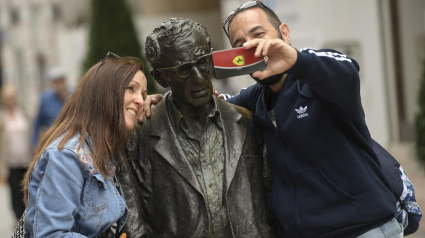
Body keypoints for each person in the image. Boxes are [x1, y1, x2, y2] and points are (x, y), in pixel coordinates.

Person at [218, 1, 400, 238]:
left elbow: (345, 71)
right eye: (239, 45)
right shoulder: (258, 97)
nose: (250, 47)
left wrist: (295, 60)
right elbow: (217, 103)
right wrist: (161, 102)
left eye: (258, 35)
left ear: (283, 33)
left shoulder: (316, 73)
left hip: (363, 230)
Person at [120, 18, 276, 237]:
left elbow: (273, 203)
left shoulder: (246, 122)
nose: (200, 78)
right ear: (161, 77)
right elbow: (133, 222)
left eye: (203, 62)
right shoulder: (139, 134)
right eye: (184, 70)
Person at [21, 54, 147, 238]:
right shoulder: (67, 156)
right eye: (131, 89)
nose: (141, 101)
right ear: (105, 93)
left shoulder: (105, 147)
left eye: (143, 94)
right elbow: (51, 235)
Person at [0, 85, 31, 221]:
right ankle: (18, 219)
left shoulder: (23, 112)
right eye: (7, 98)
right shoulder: (2, 116)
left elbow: (31, 134)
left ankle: (28, 217)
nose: (10, 100)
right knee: (14, 192)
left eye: (12, 97)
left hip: (26, 159)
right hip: (10, 161)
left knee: (27, 189)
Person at [32, 67, 72, 147]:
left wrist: (66, 98)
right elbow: (38, 122)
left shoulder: (74, 95)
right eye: (56, 82)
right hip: (53, 141)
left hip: (72, 139)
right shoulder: (46, 99)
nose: (59, 84)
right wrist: (34, 143)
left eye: (61, 80)